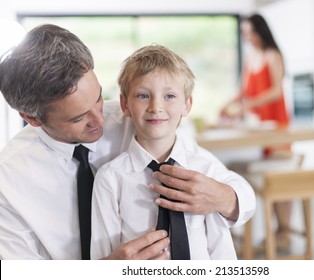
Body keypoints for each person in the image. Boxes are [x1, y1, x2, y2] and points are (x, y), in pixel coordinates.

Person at [0, 24, 255, 260]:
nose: (100, 119)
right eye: (79, 118)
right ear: (31, 118)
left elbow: (219, 180)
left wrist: (226, 198)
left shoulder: (139, 118)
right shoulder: (9, 179)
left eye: (99, 98)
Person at [90, 45, 238, 260]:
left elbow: (222, 251)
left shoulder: (205, 172)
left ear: (187, 105)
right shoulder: (110, 178)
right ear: (125, 104)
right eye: (142, 95)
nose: (156, 106)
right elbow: (103, 256)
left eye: (169, 96)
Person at [220, 14, 293, 249]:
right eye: (244, 33)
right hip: (259, 127)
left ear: (261, 31)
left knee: (280, 176)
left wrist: (245, 106)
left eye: (250, 32)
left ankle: (283, 231)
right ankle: (268, 233)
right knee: (265, 172)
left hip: (278, 124)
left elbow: (275, 91)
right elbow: (243, 90)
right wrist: (228, 103)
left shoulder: (273, 55)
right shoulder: (251, 58)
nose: (247, 37)